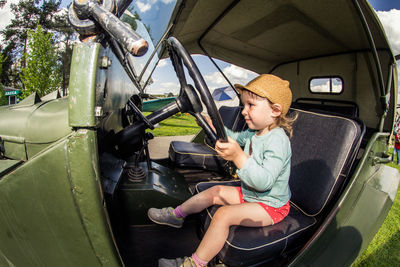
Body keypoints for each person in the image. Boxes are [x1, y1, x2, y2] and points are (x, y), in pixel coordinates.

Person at [148, 74, 296, 267]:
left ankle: (194, 264)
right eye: (244, 105)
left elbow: (264, 182)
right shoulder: (255, 132)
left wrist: (238, 157)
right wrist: (213, 124)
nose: (244, 111)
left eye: (251, 105)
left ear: (275, 110)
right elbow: (233, 136)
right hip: (252, 194)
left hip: (271, 205)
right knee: (214, 191)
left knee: (223, 215)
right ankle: (176, 215)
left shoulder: (278, 140)